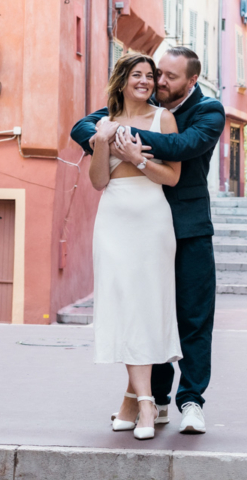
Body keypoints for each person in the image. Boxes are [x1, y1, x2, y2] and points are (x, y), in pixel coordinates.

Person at [72, 46, 225, 436]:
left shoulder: (209, 112)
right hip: (131, 224)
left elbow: (180, 148)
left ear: (192, 80)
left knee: (192, 317)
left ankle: (191, 401)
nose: (158, 82)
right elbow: (81, 127)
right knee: (143, 309)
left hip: (185, 228)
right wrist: (106, 130)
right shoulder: (145, 99)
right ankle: (150, 401)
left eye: (169, 77)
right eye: (158, 74)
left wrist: (118, 136)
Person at [87, 52, 183, 440]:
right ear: (122, 80)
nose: (145, 81)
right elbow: (97, 182)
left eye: (150, 76)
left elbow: (172, 178)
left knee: (145, 306)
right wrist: (100, 143)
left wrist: (135, 159)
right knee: (122, 305)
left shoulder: (165, 119)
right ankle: (139, 400)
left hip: (151, 218)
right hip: (112, 220)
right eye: (137, 75)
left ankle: (142, 404)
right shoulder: (105, 123)